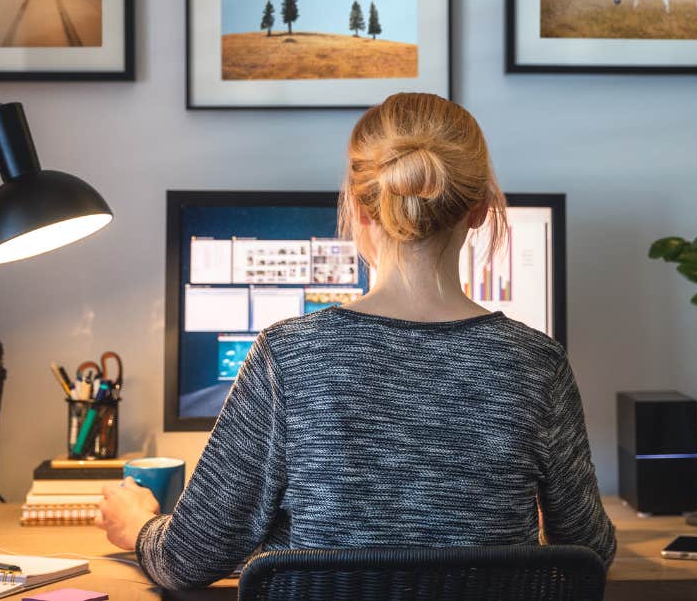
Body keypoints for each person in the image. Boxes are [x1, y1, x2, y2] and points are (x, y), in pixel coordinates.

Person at [96, 92, 616, 587]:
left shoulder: (287, 357)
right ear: (479, 210)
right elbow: (589, 550)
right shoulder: (537, 364)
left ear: (361, 209)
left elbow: (188, 559)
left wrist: (139, 525)